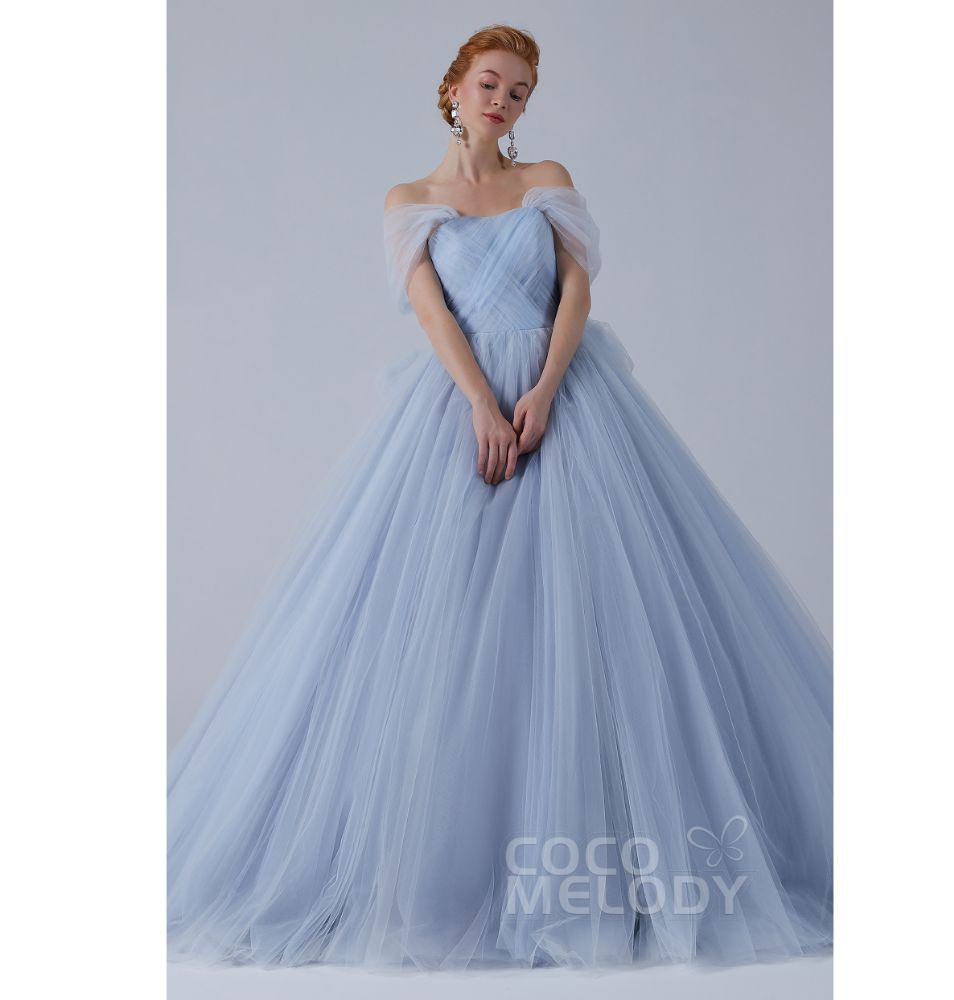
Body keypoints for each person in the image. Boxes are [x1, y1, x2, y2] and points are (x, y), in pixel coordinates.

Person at [167, 24, 833, 971]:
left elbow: (576, 292)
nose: (503, 102)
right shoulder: (410, 201)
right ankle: (453, 868)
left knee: (598, 614)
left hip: (568, 402)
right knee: (449, 627)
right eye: (489, 83)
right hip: (460, 407)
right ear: (453, 88)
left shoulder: (545, 180)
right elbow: (431, 312)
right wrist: (481, 401)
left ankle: (617, 865)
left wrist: (547, 390)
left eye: (519, 91)